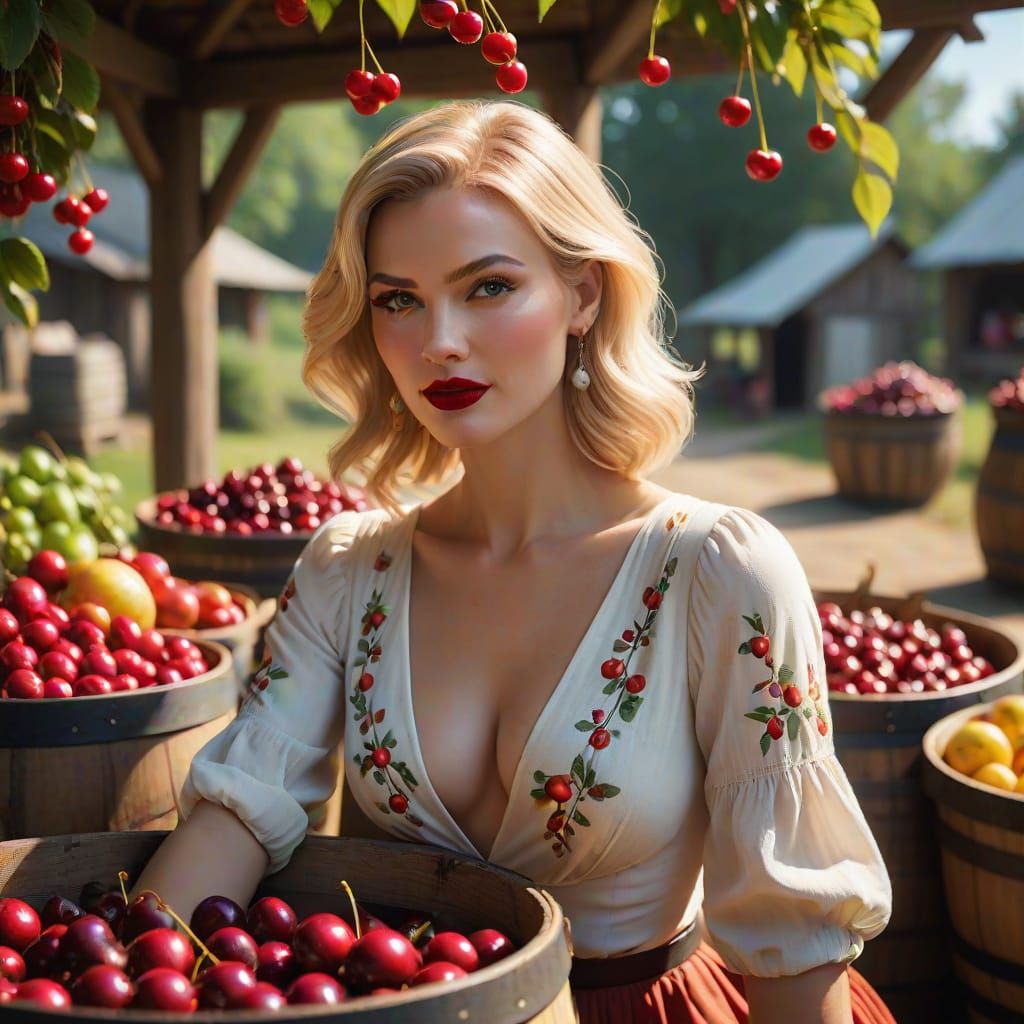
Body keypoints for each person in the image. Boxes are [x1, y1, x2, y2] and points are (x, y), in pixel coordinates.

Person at [134, 100, 894, 1024]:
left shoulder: (719, 571)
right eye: (399, 299)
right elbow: (236, 810)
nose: (438, 341)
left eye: (488, 287)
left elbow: (795, 935)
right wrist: (122, 970)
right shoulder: (348, 569)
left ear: (582, 294)